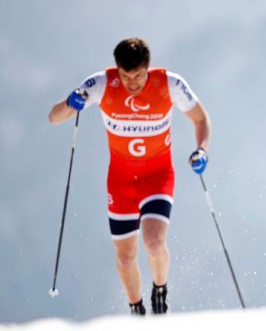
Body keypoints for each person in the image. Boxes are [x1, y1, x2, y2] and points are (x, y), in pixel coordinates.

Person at [48, 37, 211, 315]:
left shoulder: (169, 84)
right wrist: (71, 103)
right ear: (117, 70)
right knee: (125, 259)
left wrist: (202, 151)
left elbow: (201, 119)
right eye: (126, 76)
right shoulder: (100, 84)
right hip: (121, 182)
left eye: (138, 76)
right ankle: (137, 310)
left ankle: (160, 291)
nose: (132, 83)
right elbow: (54, 117)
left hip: (157, 177)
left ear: (148, 68)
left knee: (154, 243)